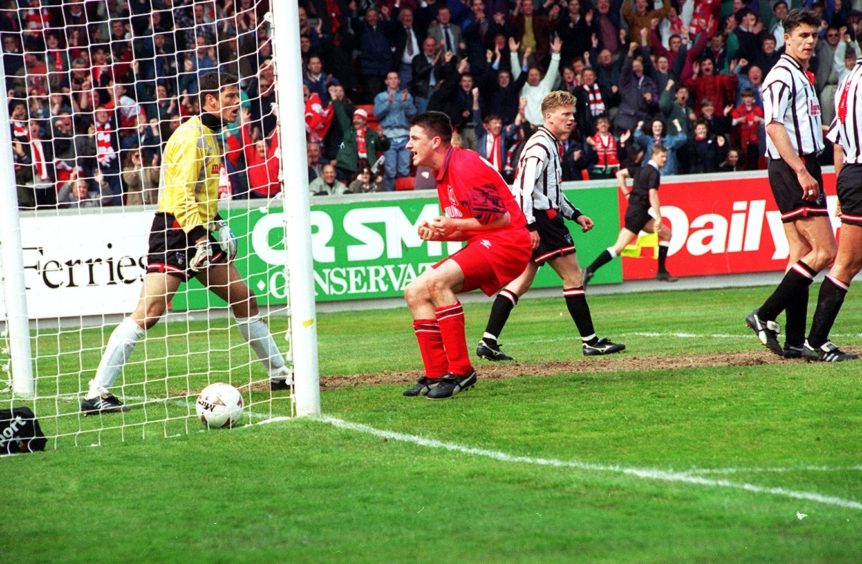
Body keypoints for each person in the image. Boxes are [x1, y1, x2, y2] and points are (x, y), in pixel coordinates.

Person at [80, 72, 292, 415]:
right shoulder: (191, 136)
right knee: (149, 313)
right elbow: (180, 196)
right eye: (229, 97)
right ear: (209, 100)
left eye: (236, 97)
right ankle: (96, 394)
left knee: (244, 298)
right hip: (177, 231)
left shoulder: (210, 135)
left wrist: (218, 224)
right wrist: (198, 238)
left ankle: (280, 375)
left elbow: (199, 193)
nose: (236, 104)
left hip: (199, 230)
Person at [476, 91, 625, 363]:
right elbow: (522, 189)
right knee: (573, 278)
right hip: (541, 220)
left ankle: (488, 341)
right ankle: (590, 342)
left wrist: (575, 214)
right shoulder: (540, 146)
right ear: (548, 116)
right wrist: (531, 225)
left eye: (572, 114)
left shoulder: (551, 143)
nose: (571, 119)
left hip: (542, 217)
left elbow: (551, 191)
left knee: (521, 281)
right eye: (565, 114)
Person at [402, 111, 532, 399]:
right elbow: (473, 224)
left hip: (508, 242)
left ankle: (462, 371)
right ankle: (436, 373)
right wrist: (442, 232)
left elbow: (502, 220)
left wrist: (453, 225)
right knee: (414, 292)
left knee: (437, 283)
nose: (408, 145)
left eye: (414, 138)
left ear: (435, 141)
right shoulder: (444, 172)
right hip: (489, 239)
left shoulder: (465, 166)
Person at [745, 10, 837, 359]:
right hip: (792, 166)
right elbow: (773, 126)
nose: (810, 42)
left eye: (813, 36)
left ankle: (796, 341)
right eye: (803, 36)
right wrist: (801, 170)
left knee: (801, 255)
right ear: (787, 38)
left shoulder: (799, 74)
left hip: (799, 163)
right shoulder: (781, 76)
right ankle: (764, 315)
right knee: (825, 252)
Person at [801, 55, 862, 361]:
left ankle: (815, 340)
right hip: (861, 174)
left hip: (852, 173)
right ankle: (815, 340)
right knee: (848, 262)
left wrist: (841, 186)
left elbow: (837, 141)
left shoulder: (847, 81)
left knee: (849, 262)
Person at [583, 145, 677, 283]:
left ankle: (662, 271)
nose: (665, 159)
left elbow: (620, 174)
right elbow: (653, 195)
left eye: (666, 157)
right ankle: (589, 269)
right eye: (662, 156)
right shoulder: (653, 173)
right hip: (637, 215)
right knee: (618, 247)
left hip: (638, 212)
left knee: (666, 234)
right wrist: (658, 217)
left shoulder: (641, 170)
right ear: (654, 155)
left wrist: (626, 192)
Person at [373, 71, 415, 191]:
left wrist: (405, 102)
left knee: (404, 170)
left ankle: (406, 196)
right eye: (390, 78)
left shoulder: (406, 95)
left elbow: (412, 114)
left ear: (399, 80)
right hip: (388, 136)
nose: (393, 81)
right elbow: (377, 114)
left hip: (404, 135)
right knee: (390, 170)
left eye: (395, 78)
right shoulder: (381, 96)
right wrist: (388, 102)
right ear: (386, 81)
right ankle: (389, 196)